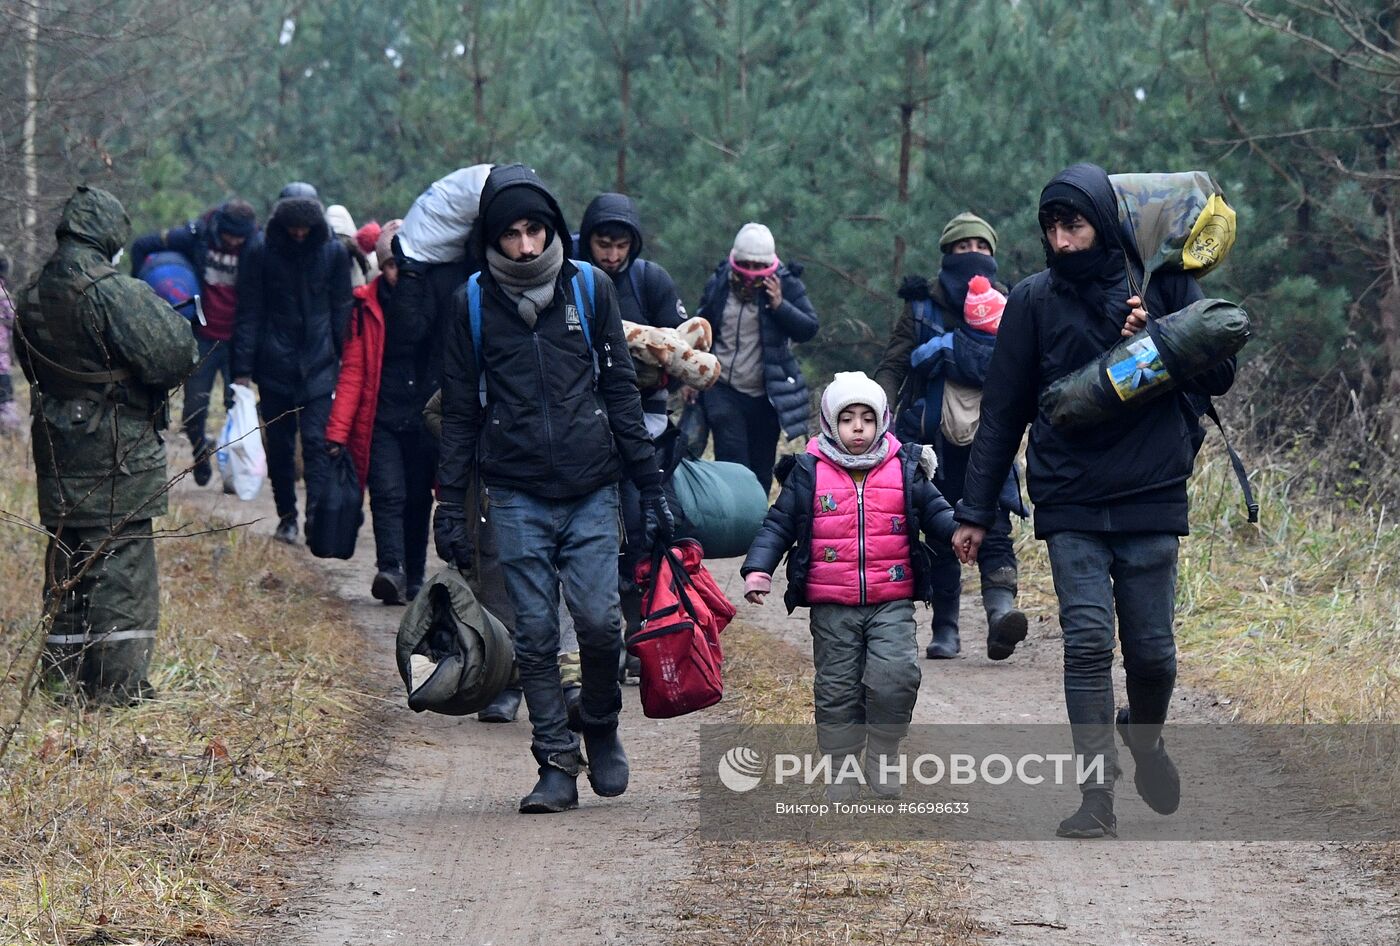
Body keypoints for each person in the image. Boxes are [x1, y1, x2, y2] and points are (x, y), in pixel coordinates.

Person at [952, 163, 1238, 838]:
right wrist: (974, 510)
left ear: (1104, 223)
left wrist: (1160, 328)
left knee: (1154, 655)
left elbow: (1221, 370)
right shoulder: (1031, 301)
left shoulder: (1161, 279)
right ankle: (1096, 798)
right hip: (1070, 497)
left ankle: (1144, 737)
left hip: (1152, 491)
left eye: (1073, 224)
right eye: (1050, 227)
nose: (1062, 239)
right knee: (1085, 645)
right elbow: (1002, 412)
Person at [434, 164, 670, 814]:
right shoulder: (473, 304)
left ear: (553, 228)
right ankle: (556, 764)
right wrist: (448, 507)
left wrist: (650, 488)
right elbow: (458, 415)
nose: (526, 246)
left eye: (535, 229)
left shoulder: (591, 290)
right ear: (492, 237)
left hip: (592, 486)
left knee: (599, 625)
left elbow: (621, 390)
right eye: (511, 234)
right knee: (534, 635)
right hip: (513, 493)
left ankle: (601, 723)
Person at [14, 185, 197, 704]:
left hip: (56, 450)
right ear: (109, 235)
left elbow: (31, 367)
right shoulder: (115, 292)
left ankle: (61, 682)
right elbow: (174, 356)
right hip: (117, 454)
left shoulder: (30, 294)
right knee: (120, 569)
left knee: (67, 565)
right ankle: (118, 690)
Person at [741, 371, 955, 799]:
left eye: (867, 418)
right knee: (837, 687)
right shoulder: (808, 471)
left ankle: (883, 750)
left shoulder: (905, 467)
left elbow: (937, 512)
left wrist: (960, 534)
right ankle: (841, 766)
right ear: (828, 423)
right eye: (847, 419)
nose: (858, 428)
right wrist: (758, 568)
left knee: (896, 675)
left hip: (891, 598)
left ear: (883, 421)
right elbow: (778, 525)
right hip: (831, 603)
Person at [874, 212, 1028, 661]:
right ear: (946, 255)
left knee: (995, 525)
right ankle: (946, 627)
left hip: (991, 438)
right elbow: (894, 363)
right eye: (962, 248)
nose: (972, 255)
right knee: (939, 531)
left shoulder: (1012, 303)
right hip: (929, 442)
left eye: (981, 248)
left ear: (993, 255)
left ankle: (1002, 616)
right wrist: (876, 411)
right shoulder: (921, 308)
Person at [577, 191, 689, 680]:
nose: (613, 255)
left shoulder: (653, 281)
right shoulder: (572, 280)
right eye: (603, 244)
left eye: (622, 246)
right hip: (582, 426)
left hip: (646, 427)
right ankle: (593, 643)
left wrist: (659, 367)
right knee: (594, 534)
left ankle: (642, 634)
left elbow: (686, 351)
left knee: (645, 531)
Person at [325, 220, 438, 604]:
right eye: (390, 265)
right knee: (389, 494)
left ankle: (416, 576)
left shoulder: (433, 301)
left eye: (402, 266)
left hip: (424, 419)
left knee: (420, 497)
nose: (396, 273)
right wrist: (338, 432)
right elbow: (353, 371)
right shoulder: (365, 305)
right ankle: (390, 569)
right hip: (382, 418)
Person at [233, 187, 352, 544]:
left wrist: (341, 355)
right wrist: (241, 371)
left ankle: (315, 514)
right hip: (274, 364)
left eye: (305, 226)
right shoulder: (259, 252)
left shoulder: (333, 253)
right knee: (281, 447)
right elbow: (248, 313)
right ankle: (287, 516)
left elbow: (341, 307)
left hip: (319, 362)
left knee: (317, 442)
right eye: (292, 226)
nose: (299, 232)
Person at [129, 199, 259, 485]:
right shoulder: (196, 236)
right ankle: (201, 454)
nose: (235, 241)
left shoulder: (256, 247)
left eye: (241, 237)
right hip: (201, 337)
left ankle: (234, 474)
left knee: (237, 409)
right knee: (193, 411)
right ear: (220, 230)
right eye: (230, 236)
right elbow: (142, 246)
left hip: (238, 343)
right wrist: (139, 291)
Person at [695, 223, 819, 493]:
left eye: (757, 265)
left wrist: (779, 306)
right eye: (745, 264)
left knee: (761, 470)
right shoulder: (720, 282)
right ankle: (730, 525)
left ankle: (756, 528)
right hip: (723, 386)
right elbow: (701, 323)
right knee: (732, 463)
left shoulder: (786, 284)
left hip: (767, 394)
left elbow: (809, 328)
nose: (750, 272)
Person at [0, 255, 21, 432]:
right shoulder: (2, 293)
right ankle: (9, 431)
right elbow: (14, 319)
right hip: (1, 360)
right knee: (5, 398)